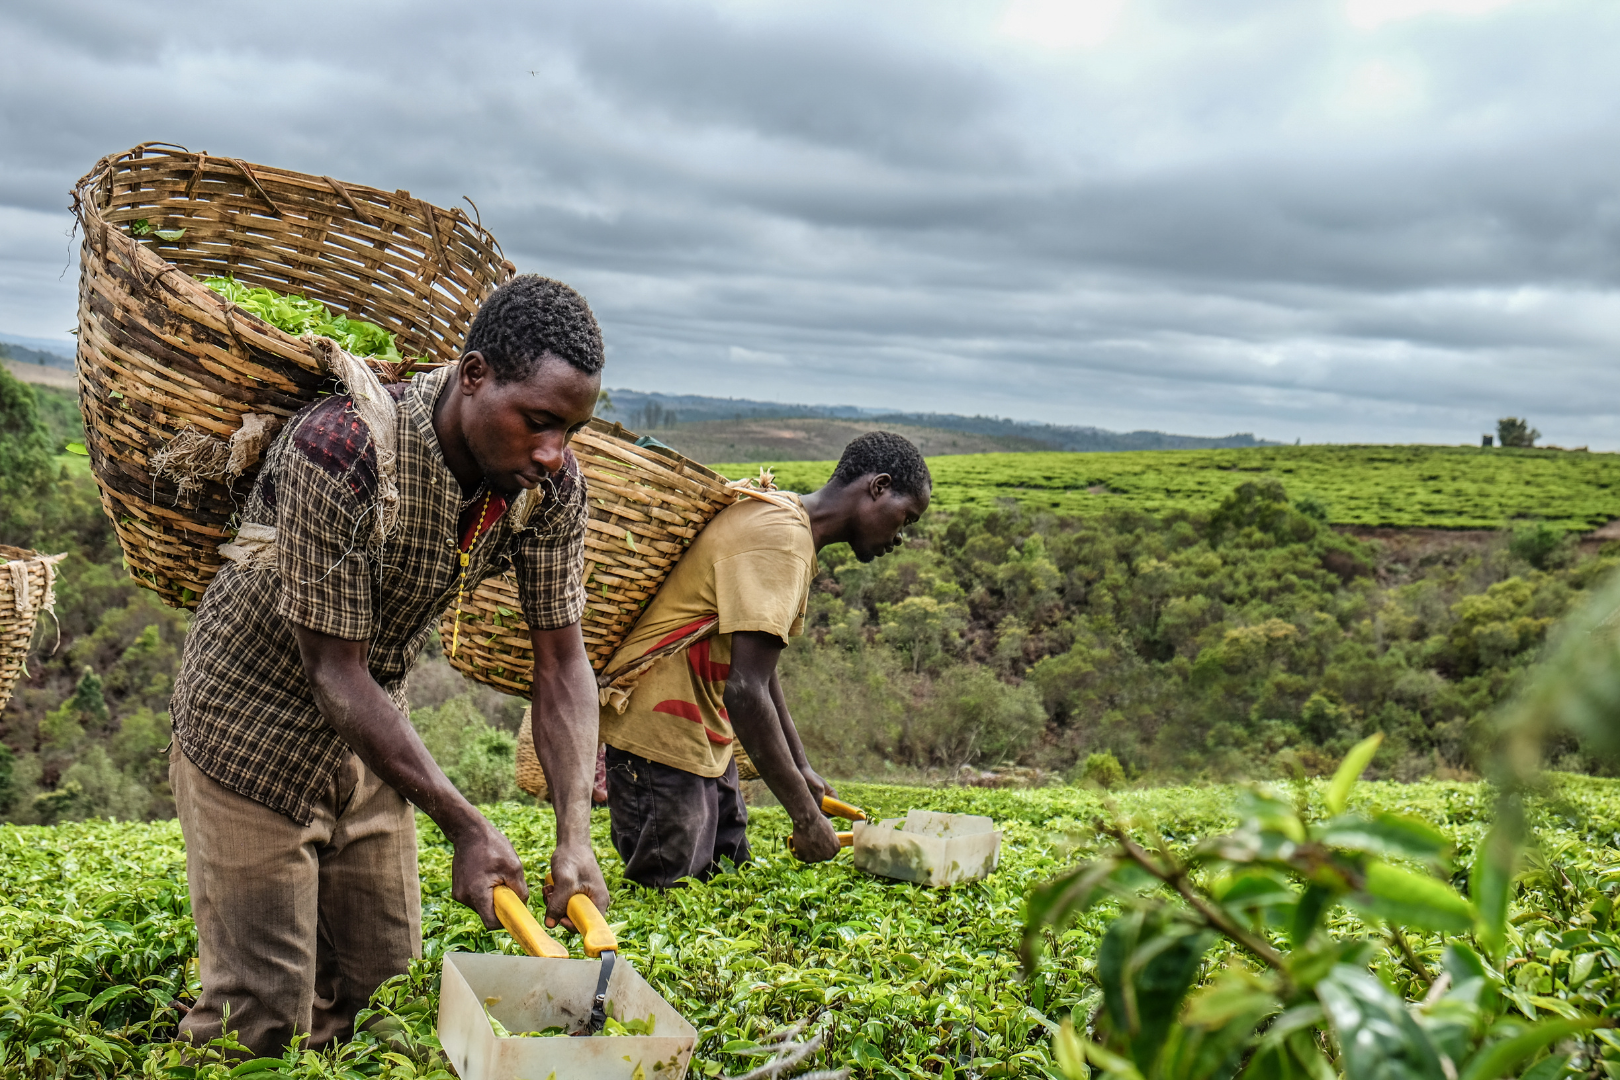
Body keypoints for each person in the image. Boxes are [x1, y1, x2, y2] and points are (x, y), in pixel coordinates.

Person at [166, 275, 610, 1055]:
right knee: (259, 1021)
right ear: (473, 376)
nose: (553, 451)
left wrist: (574, 833)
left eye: (570, 430)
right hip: (249, 731)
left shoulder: (549, 486)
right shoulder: (341, 453)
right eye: (538, 421)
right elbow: (333, 670)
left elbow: (563, 665)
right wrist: (465, 824)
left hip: (372, 741)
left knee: (388, 1010)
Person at [596, 432, 931, 887]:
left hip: (702, 739)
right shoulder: (781, 540)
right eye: (905, 518)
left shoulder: (789, 527)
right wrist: (805, 818)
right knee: (668, 896)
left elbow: (760, 674)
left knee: (724, 884)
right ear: (878, 487)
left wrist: (802, 769)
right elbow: (745, 690)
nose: (900, 536)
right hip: (661, 738)